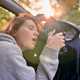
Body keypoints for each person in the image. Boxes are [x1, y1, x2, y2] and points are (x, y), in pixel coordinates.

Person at [0, 13, 65, 80]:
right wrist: (51, 50)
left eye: (37, 31)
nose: (36, 33)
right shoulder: (9, 50)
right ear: (14, 30)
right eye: (31, 28)